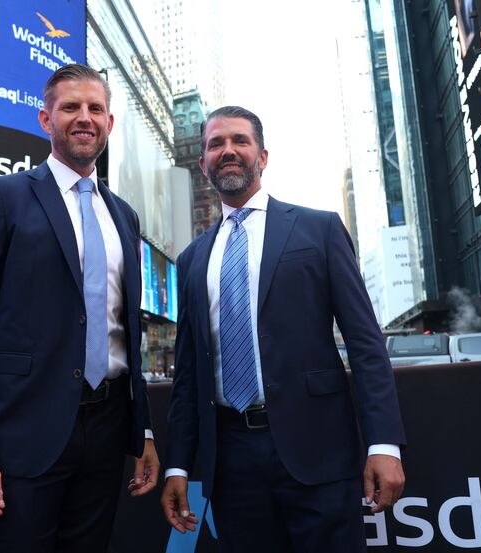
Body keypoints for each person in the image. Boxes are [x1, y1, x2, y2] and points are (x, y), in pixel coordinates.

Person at [161, 106, 406, 553]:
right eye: (215, 144)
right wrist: (178, 466)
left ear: (263, 156)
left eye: (240, 141)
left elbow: (366, 345)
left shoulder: (319, 229)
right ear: (203, 163)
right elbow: (187, 373)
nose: (228, 151)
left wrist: (385, 443)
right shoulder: (193, 259)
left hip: (318, 453)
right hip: (230, 462)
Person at [0, 63, 159, 552]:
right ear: (45, 119)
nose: (85, 118)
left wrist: (140, 428)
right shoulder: (0, 197)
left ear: (109, 122)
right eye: (71, 107)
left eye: (95, 108)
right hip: (21, 437)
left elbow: (126, 333)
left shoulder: (124, 215)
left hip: (107, 433)